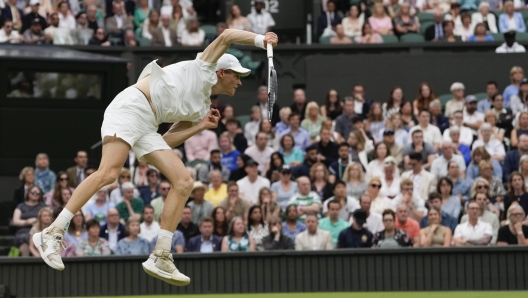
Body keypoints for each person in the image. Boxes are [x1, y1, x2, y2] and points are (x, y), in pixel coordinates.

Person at [33, 28, 278, 285]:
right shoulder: (203, 68)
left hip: (148, 125)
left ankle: (161, 254)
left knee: (184, 181)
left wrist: (202, 125)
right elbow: (227, 35)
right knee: (109, 172)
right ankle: (52, 232)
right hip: (131, 106)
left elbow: (165, 142)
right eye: (237, 75)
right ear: (221, 72)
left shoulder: (202, 108)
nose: (240, 82)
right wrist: (261, 40)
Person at [12, 185, 46, 256]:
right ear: (28, 193)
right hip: (24, 231)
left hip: (39, 230)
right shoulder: (21, 206)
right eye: (33, 192)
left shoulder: (43, 206)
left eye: (38, 192)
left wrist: (38, 223)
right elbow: (15, 221)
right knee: (23, 239)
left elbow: (49, 218)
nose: (35, 194)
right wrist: (27, 222)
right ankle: (25, 263)